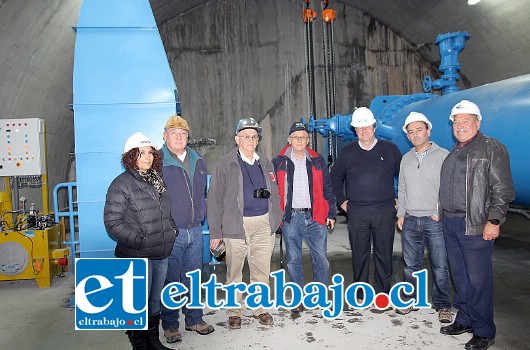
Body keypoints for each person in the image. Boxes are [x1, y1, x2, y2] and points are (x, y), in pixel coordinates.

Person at [439, 100, 514, 350]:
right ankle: (466, 318)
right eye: (456, 122)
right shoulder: (456, 150)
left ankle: (484, 330)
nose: (460, 126)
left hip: (475, 225)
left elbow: (502, 189)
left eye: (465, 121)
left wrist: (494, 220)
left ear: (478, 123)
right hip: (450, 222)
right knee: (460, 276)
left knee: (478, 279)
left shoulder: (491, 148)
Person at [104, 132, 177, 350]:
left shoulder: (156, 180)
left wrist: (171, 231)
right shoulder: (121, 184)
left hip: (160, 253)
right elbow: (112, 222)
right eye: (141, 153)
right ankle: (140, 345)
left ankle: (153, 342)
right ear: (130, 156)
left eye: (151, 153)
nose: (148, 157)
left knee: (154, 302)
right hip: (137, 255)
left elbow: (165, 213)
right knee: (138, 305)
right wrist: (140, 240)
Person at [207, 117, 282, 329]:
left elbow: (275, 193)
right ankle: (234, 311)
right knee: (235, 272)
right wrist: (215, 232)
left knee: (261, 270)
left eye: (254, 136)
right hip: (235, 226)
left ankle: (259, 308)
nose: (250, 140)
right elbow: (213, 200)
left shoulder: (265, 163)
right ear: (236, 139)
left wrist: (276, 218)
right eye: (245, 136)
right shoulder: (226, 163)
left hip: (263, 224)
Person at [330, 107, 402, 301]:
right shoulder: (347, 153)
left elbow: (405, 176)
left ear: (374, 127)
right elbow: (334, 178)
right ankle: (360, 292)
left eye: (366, 127)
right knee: (359, 255)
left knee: (384, 253)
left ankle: (382, 293)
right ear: (354, 130)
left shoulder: (390, 150)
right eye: (359, 128)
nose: (363, 131)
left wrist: (399, 199)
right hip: (357, 212)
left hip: (384, 211)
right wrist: (342, 202)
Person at [159, 115, 214, 343]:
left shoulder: (198, 160)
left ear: (188, 136)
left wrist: (202, 215)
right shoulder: (157, 161)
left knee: (194, 277)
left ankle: (194, 319)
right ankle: (171, 325)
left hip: (195, 229)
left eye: (182, 133)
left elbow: (201, 194)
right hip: (171, 231)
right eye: (173, 133)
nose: (179, 137)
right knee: (170, 279)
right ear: (165, 136)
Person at [271, 122, 336, 313]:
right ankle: (297, 299)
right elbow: (274, 193)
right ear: (289, 140)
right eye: (296, 137)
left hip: (315, 216)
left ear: (308, 140)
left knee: (321, 258)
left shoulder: (317, 160)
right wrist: (277, 218)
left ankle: (320, 297)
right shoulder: (279, 162)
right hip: (292, 217)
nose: (299, 140)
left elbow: (328, 188)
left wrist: (331, 213)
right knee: (293, 260)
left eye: (303, 137)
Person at [396, 112, 452, 322]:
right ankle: (410, 300)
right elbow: (402, 188)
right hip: (410, 219)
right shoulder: (406, 158)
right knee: (411, 265)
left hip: (433, 219)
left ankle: (443, 305)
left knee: (440, 265)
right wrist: (401, 213)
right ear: (407, 136)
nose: (415, 134)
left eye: (419, 129)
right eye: (411, 132)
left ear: (428, 130)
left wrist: (440, 211)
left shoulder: (443, 155)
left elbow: (448, 187)